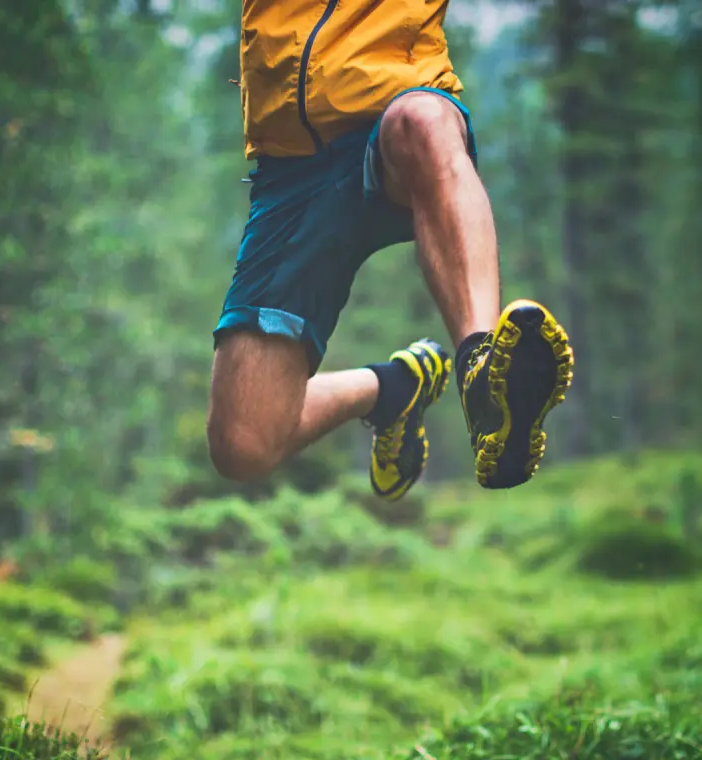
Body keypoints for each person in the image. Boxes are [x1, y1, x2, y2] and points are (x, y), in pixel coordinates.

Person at [208, 0, 575, 500]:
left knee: (423, 119)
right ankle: (391, 388)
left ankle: (482, 369)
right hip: (289, 170)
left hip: (395, 115)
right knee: (242, 443)